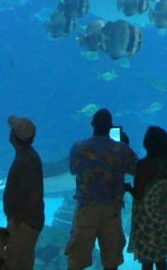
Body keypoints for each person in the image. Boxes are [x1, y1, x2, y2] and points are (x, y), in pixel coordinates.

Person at [66, 108, 138, 270]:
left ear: (92, 124)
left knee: (77, 255)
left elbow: (72, 169)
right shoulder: (121, 149)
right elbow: (136, 170)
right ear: (110, 126)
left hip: (86, 207)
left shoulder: (79, 147)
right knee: (111, 257)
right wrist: (126, 145)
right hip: (112, 209)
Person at [126, 126, 167, 269]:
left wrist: (128, 188)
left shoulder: (144, 164)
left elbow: (138, 194)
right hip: (164, 217)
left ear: (147, 143)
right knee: (162, 258)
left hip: (147, 220)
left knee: (147, 259)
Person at [3, 115, 44, 270]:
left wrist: (18, 218)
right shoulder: (25, 155)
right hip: (25, 220)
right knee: (22, 260)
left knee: (15, 262)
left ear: (15, 135)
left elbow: (35, 195)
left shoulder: (26, 160)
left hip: (25, 222)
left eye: (12, 129)